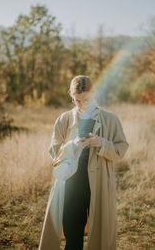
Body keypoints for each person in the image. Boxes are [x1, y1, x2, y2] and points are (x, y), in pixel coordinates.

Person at [38, 75, 129, 250]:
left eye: (85, 99)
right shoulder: (63, 119)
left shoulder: (110, 119)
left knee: (100, 234)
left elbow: (121, 149)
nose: (81, 104)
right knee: (72, 234)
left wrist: (102, 143)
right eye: (76, 100)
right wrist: (72, 145)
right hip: (70, 185)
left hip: (99, 184)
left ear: (94, 93)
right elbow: (54, 151)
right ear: (72, 96)